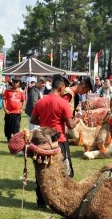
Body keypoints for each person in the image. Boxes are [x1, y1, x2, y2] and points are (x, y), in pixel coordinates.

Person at [30, 74, 79, 208]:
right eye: (64, 89)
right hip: (59, 141)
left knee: (42, 171)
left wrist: (45, 122)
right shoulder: (64, 103)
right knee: (63, 171)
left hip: (43, 141)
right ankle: (59, 200)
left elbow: (33, 120)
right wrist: (77, 120)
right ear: (61, 87)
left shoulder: (41, 101)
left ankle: (41, 202)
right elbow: (70, 125)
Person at [2, 77, 25, 142]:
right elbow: (4, 99)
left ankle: (15, 139)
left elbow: (23, 100)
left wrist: (22, 109)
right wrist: (5, 109)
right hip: (9, 112)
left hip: (17, 113)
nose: (15, 83)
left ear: (19, 83)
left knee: (16, 126)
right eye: (14, 82)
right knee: (8, 126)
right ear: (12, 82)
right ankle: (8, 138)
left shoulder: (21, 92)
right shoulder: (7, 91)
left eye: (17, 82)